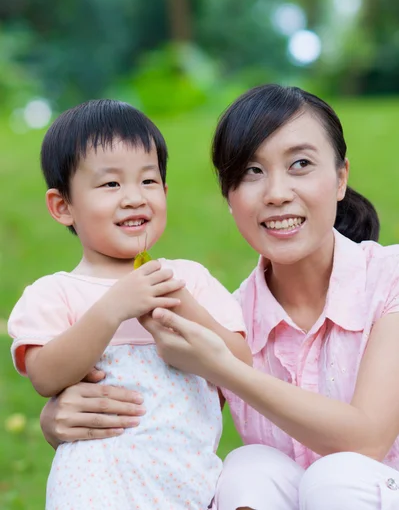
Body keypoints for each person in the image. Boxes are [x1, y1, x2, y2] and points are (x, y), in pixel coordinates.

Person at [40, 84, 399, 510]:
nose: (277, 193)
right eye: (251, 172)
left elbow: (367, 440)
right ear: (229, 197)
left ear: (340, 178)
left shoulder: (389, 278)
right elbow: (162, 401)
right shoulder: (228, 317)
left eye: (301, 164)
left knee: (337, 477)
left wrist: (222, 366)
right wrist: (56, 420)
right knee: (249, 468)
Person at [8, 99, 251, 510]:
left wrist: (183, 304)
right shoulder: (55, 293)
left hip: (190, 484)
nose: (134, 198)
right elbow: (45, 376)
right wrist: (111, 309)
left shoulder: (189, 280)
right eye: (110, 185)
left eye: (148, 182)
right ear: (62, 206)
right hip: (95, 488)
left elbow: (240, 363)